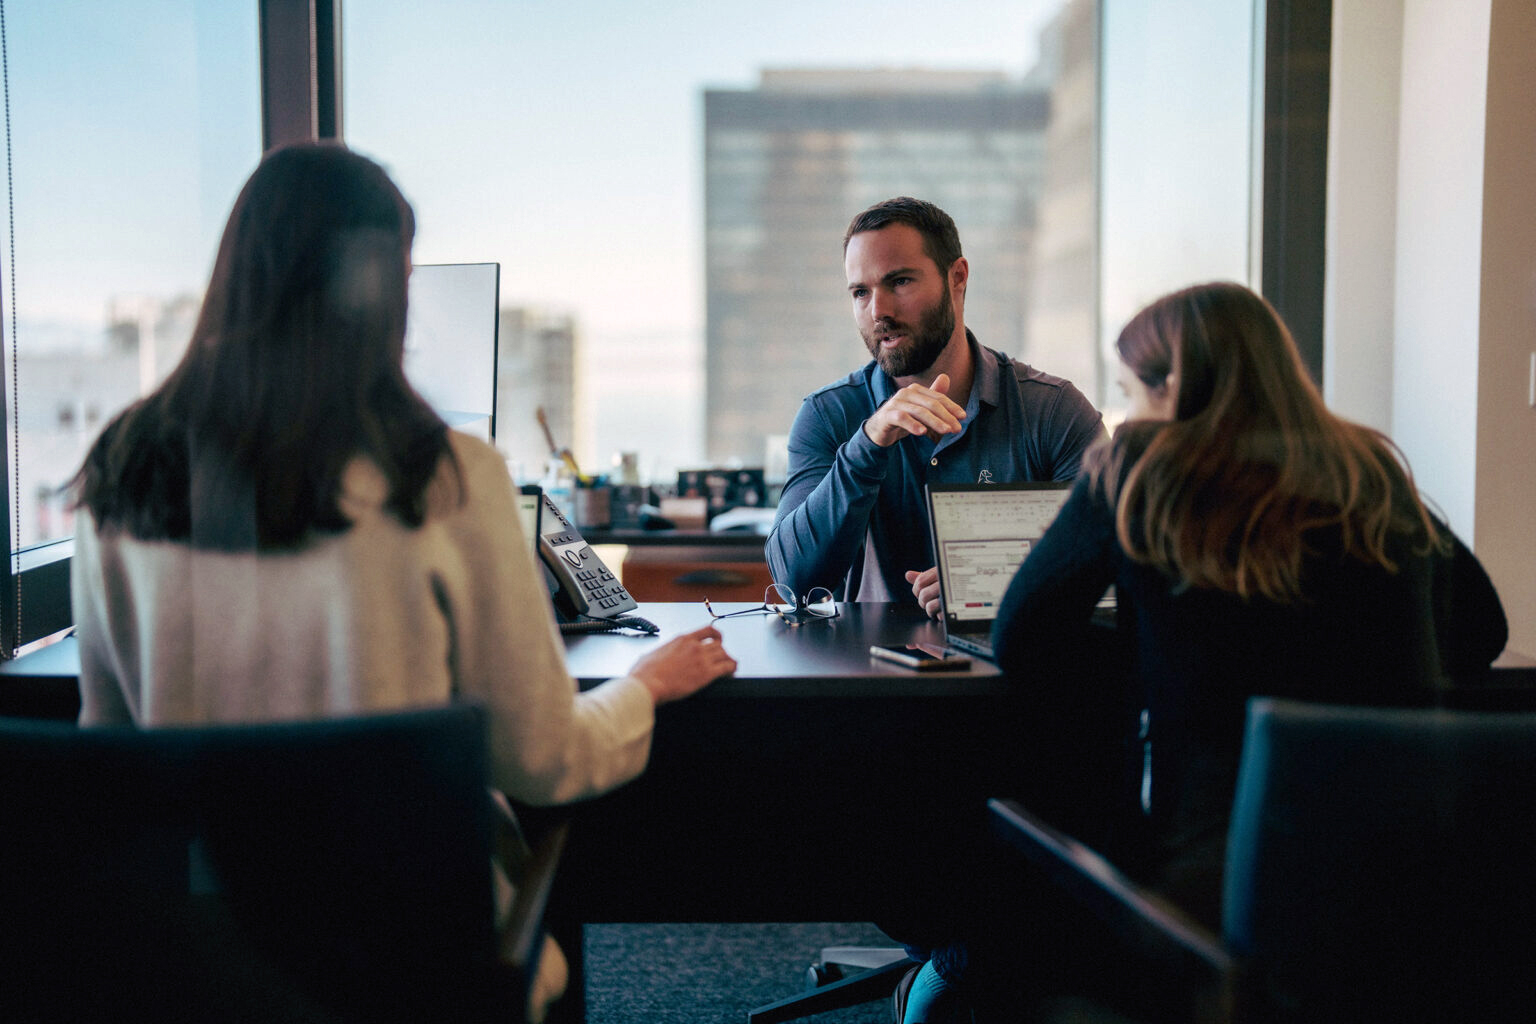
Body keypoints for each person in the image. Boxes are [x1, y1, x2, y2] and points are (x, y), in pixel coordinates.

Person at [68, 142, 737, 1022]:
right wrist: (644, 688)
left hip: (198, 960)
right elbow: (543, 761)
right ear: (384, 287)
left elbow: (111, 758)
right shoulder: (445, 475)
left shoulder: (123, 469)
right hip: (411, 961)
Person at [894, 281, 1508, 1023]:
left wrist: (1153, 658)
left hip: (1209, 893)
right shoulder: (1364, 467)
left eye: (1131, 394)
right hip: (1409, 884)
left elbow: (1025, 635)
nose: (1126, 417)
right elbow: (1483, 630)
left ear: (1175, 385)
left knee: (1011, 843)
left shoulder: (1145, 467)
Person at [765, 197, 1105, 617]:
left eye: (900, 282)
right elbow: (791, 584)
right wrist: (868, 444)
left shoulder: (1053, 411)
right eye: (860, 292)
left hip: (1013, 674)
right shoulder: (828, 415)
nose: (879, 311)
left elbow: (1110, 558)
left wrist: (989, 580)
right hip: (865, 676)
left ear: (957, 278)